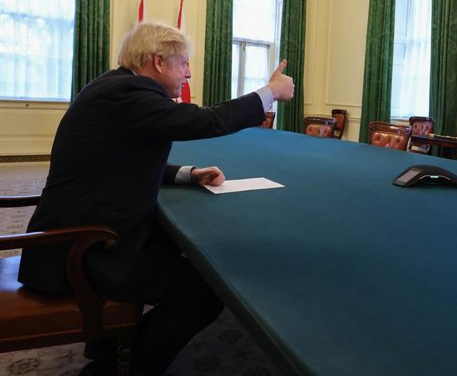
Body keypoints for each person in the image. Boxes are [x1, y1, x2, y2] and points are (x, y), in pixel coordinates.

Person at [17, 22, 295, 375]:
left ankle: (111, 341)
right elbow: (206, 121)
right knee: (202, 292)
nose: (189, 73)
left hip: (87, 229)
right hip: (83, 246)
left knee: (181, 252)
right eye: (184, 64)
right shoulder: (126, 93)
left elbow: (119, 160)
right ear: (159, 62)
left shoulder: (115, 86)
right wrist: (270, 92)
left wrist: (187, 173)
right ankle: (114, 370)